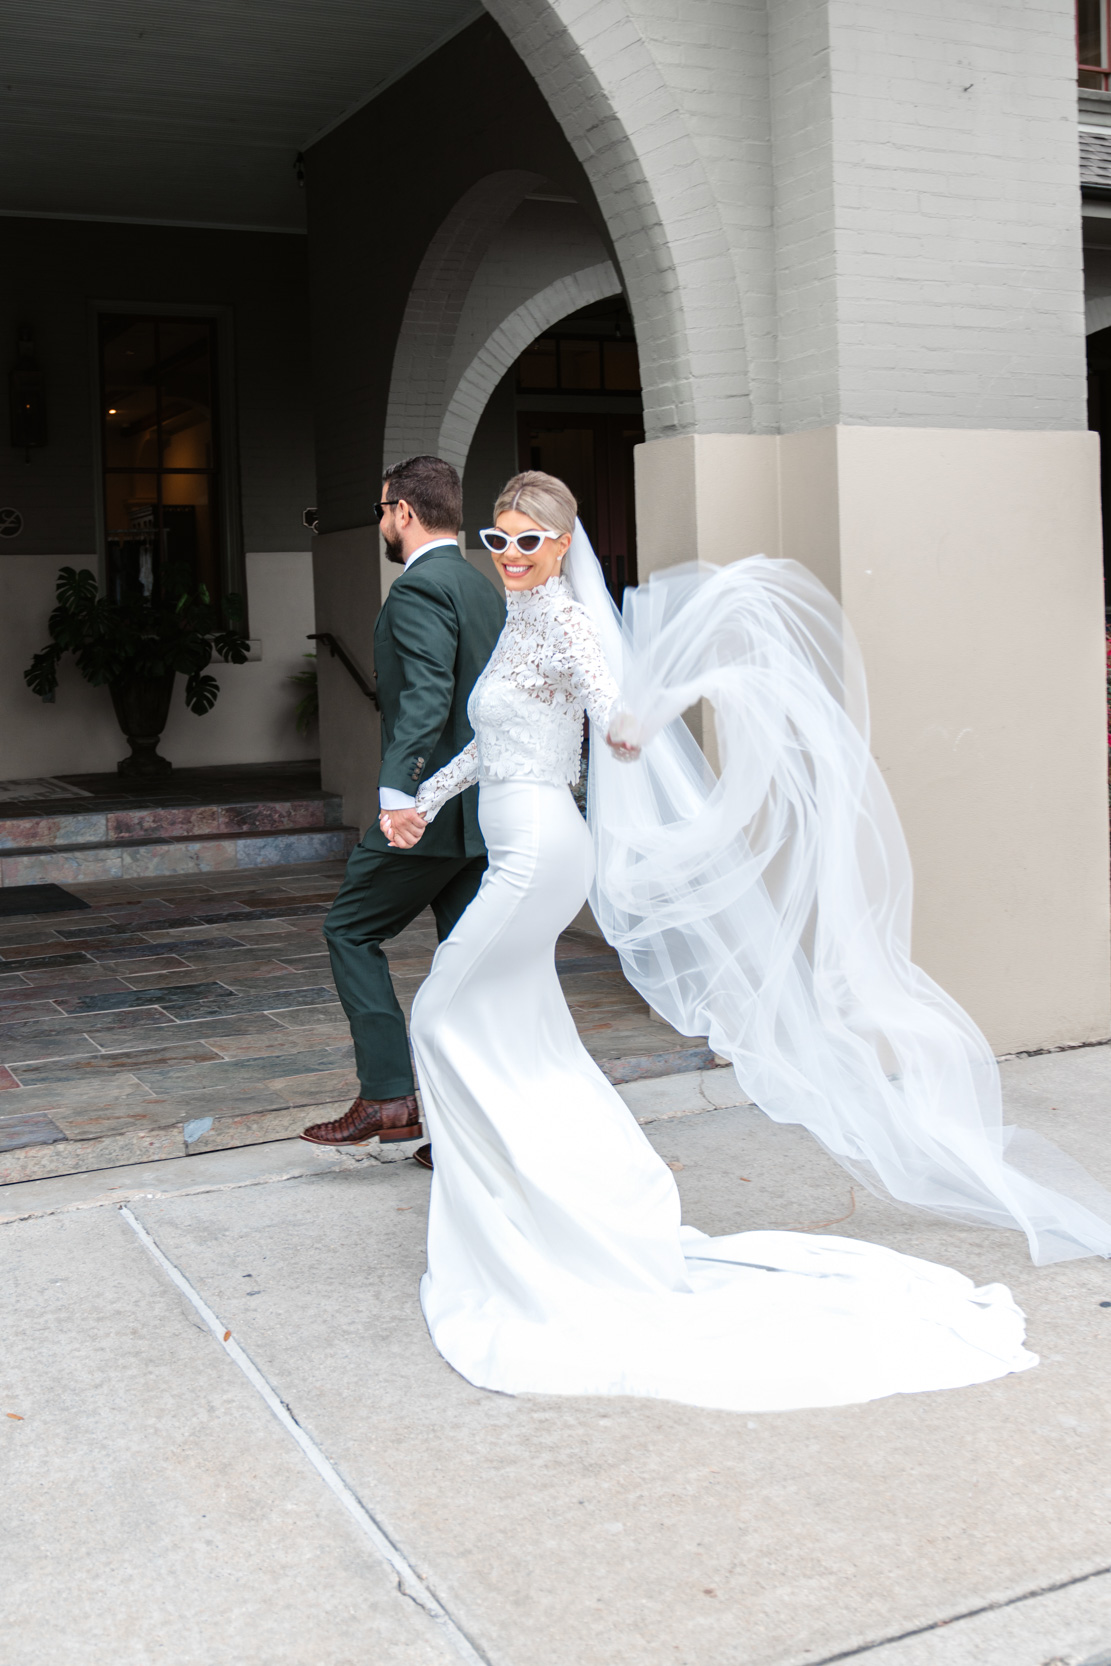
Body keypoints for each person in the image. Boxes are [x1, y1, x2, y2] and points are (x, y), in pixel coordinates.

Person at [377, 468, 1111, 1416]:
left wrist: (681, 699)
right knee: (513, 1027)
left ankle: (536, 1216)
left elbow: (613, 715)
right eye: (498, 540)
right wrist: (420, 800)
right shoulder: (523, 620)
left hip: (541, 855)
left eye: (529, 541)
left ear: (562, 547)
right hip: (521, 833)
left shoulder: (561, 619)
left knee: (440, 1013)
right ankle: (574, 1204)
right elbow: (496, 743)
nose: (512, 556)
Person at [301, 455, 505, 1163]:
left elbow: (424, 699)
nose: (382, 523)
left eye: (384, 511)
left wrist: (397, 794)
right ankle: (463, 1130)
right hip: (481, 816)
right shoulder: (482, 588)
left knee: (350, 931)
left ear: (404, 512)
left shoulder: (418, 592)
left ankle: (389, 1094)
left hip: (428, 813)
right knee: (463, 969)